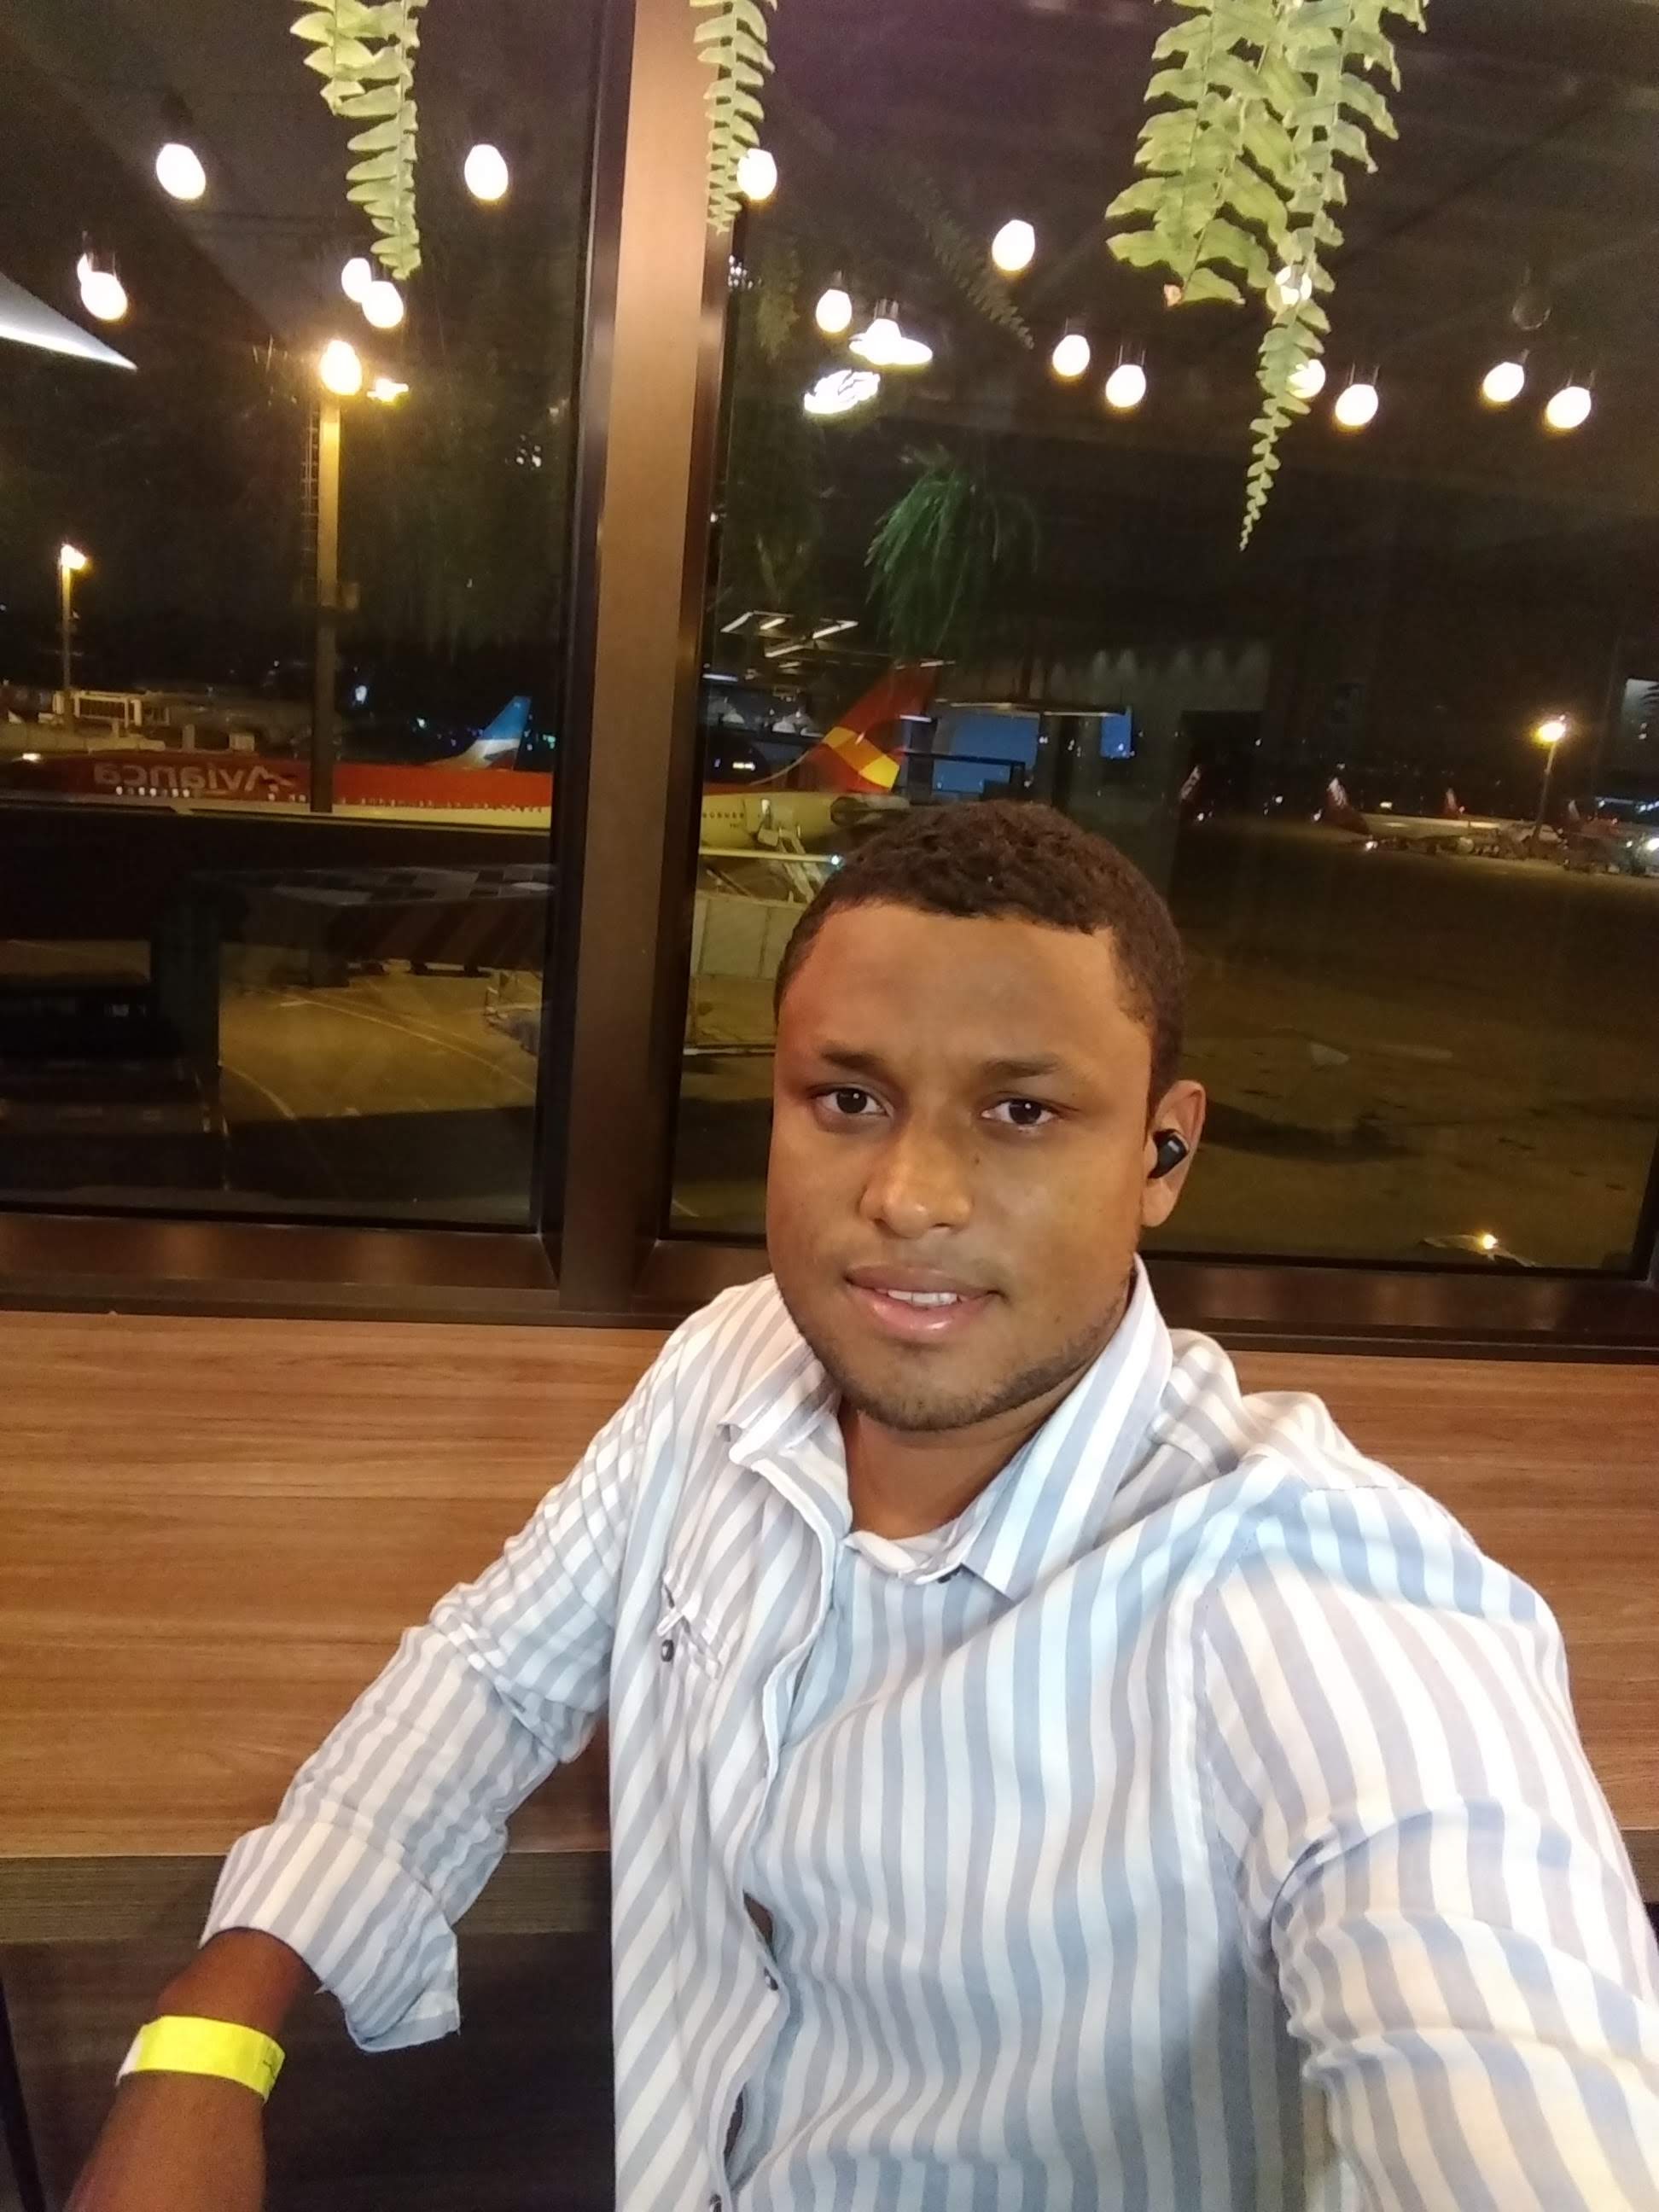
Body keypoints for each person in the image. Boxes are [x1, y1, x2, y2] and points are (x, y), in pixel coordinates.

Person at [72, 802, 1659, 2210]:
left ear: (1166, 1150)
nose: (908, 1196)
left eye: (1022, 1112)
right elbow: (493, 1673)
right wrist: (212, 2033)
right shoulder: (729, 1368)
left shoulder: (1314, 1604)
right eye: (847, 1098)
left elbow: (1510, 2049)